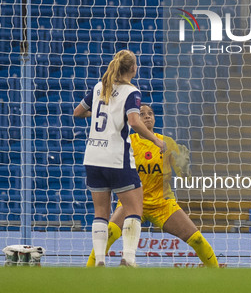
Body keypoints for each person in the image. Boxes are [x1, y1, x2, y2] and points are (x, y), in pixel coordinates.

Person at [86, 104, 219, 268]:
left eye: (150, 113)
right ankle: (89, 270)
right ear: (134, 119)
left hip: (162, 203)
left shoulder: (166, 143)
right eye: (142, 114)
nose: (147, 116)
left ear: (154, 119)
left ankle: (217, 272)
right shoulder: (127, 142)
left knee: (197, 239)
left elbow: (186, 177)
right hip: (132, 202)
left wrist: (184, 166)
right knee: (108, 234)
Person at [73, 50, 166, 267]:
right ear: (133, 68)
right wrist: (156, 141)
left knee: (100, 213)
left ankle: (100, 261)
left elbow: (78, 112)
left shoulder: (100, 87)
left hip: (93, 156)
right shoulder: (131, 91)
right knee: (134, 209)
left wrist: (99, 111)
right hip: (116, 157)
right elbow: (134, 121)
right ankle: (129, 258)